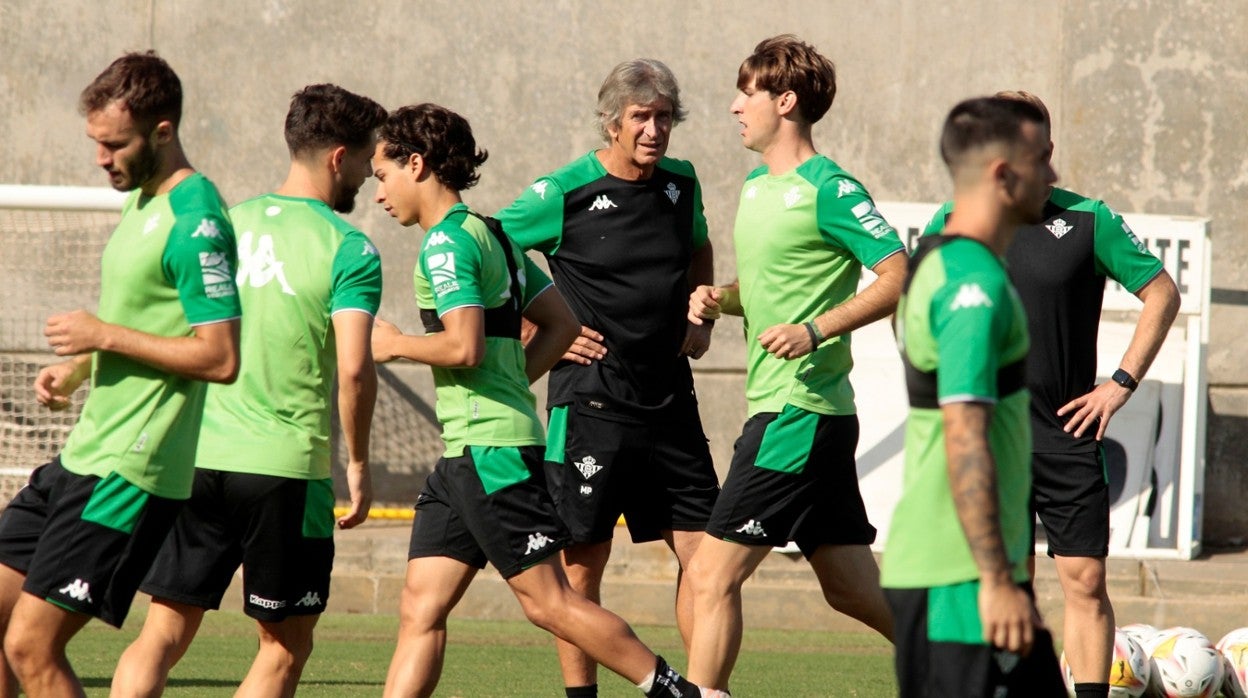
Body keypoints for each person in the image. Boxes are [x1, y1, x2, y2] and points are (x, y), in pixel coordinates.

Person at [369, 104, 707, 698]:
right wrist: (509, 384)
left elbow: (464, 346)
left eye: (383, 175)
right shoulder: (494, 236)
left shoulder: (445, 245)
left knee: (550, 602)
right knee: (421, 605)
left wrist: (394, 344)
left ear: (416, 164)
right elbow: (562, 324)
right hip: (467, 450)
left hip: (490, 452)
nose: (379, 193)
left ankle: (679, 692)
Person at [109, 83, 387, 698]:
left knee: (161, 631)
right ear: (339, 157)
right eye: (367, 160)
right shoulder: (350, 249)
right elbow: (354, 370)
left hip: (196, 458)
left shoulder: (227, 223)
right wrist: (360, 464)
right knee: (283, 646)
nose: (369, 175)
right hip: (284, 471)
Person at [922, 91, 1181, 698]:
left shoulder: (1089, 220)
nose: (1046, 160)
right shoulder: (952, 222)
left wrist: (1119, 384)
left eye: (1045, 145)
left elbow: (1161, 293)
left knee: (1085, 583)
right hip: (991, 440)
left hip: (1067, 436)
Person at [0, 51, 242, 696]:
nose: (101, 158)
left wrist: (102, 335)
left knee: (30, 646)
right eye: (96, 143)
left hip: (130, 471)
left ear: (162, 132)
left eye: (114, 144)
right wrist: (80, 366)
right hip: (84, 454)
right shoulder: (141, 201)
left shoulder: (198, 221)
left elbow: (220, 357)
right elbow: (145, 319)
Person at [685, 34, 903, 692]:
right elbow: (770, 290)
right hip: (800, 414)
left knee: (709, 575)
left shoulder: (830, 188)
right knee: (850, 589)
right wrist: (721, 299)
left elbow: (899, 275)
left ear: (784, 102)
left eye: (746, 93)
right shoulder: (757, 186)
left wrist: (816, 330)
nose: (734, 107)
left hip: (797, 413)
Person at [494, 58, 719, 698]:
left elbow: (699, 246)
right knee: (582, 566)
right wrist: (542, 331)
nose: (655, 130)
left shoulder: (682, 182)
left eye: (664, 117)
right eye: (641, 117)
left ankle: (702, 691)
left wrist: (700, 314)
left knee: (706, 563)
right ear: (612, 122)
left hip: (671, 402)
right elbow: (490, 249)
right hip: (591, 405)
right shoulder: (561, 192)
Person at [882, 95, 1066, 696]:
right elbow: (964, 433)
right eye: (1041, 160)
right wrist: (993, 579)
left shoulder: (941, 261)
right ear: (1003, 174)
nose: (1053, 174)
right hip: (960, 580)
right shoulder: (971, 283)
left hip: (968, 574)